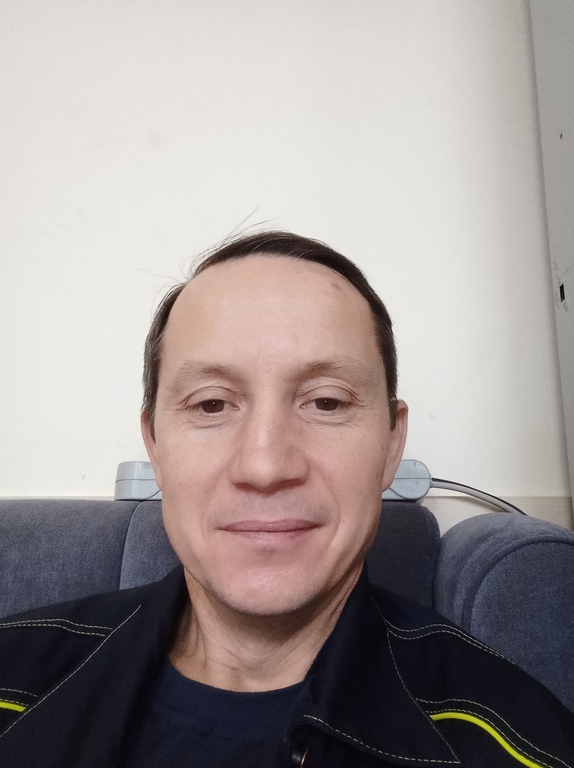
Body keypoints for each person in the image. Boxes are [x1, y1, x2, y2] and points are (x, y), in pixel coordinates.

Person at [0, 231, 573, 767]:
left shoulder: (516, 741)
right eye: (211, 405)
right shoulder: (14, 676)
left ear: (391, 445)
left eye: (326, 402)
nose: (265, 466)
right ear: (155, 445)